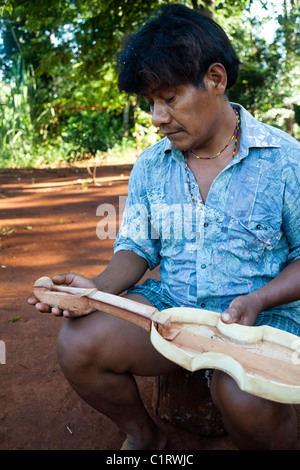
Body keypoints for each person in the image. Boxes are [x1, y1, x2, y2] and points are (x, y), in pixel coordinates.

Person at [28, 4, 300, 450]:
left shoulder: (286, 161)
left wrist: (257, 300)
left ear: (215, 79)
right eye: (150, 102)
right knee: (79, 344)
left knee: (247, 398)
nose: (156, 117)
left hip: (261, 319)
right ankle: (145, 436)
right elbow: (136, 247)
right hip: (172, 308)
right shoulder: (153, 166)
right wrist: (94, 289)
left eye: (169, 99)